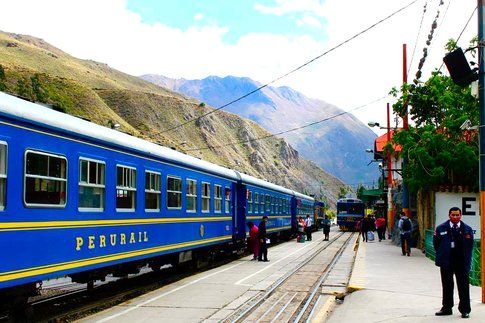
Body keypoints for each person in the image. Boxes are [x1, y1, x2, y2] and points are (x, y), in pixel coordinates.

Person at [433, 207, 474, 318]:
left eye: (457, 215)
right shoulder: (441, 228)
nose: (455, 217)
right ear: (449, 215)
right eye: (453, 215)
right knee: (447, 285)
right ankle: (446, 308)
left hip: (461, 262)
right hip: (447, 261)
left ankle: (465, 310)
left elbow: (470, 246)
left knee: (464, 286)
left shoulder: (467, 229)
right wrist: (443, 254)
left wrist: (467, 260)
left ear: (461, 216)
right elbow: (436, 244)